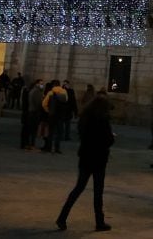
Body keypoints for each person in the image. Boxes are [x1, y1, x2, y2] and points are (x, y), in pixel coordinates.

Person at [56, 95, 114, 232]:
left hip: (85, 157)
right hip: (99, 158)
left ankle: (62, 217)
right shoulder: (103, 120)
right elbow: (108, 140)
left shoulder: (85, 118)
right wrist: (111, 137)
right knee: (98, 192)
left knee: (78, 188)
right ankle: (99, 222)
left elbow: (83, 136)